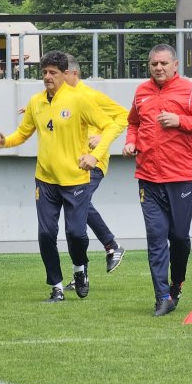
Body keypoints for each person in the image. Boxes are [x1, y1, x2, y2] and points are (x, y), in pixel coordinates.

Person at [0, 50, 122, 303]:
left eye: (53, 72)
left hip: (76, 179)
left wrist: (95, 156)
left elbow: (110, 126)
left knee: (76, 233)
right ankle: (57, 287)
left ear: (65, 74)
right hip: (45, 180)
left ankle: (80, 268)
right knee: (46, 234)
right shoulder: (36, 102)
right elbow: (23, 133)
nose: (47, 77)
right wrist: (5, 141)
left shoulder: (79, 100)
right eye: (44, 73)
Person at [122, 43, 192, 316]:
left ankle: (177, 283)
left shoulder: (190, 91)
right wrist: (130, 143)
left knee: (178, 237)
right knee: (155, 237)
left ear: (175, 65)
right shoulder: (141, 92)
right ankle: (162, 296)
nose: (159, 68)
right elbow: (134, 123)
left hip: (182, 177)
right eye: (154, 64)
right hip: (148, 177)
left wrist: (180, 120)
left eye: (164, 63)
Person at [62, 54, 128, 289]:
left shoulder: (90, 95)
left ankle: (111, 246)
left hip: (94, 163)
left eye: (60, 73)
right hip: (71, 166)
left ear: (73, 74)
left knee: (79, 205)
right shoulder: (62, 98)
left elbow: (123, 116)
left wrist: (101, 137)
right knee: (74, 216)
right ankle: (81, 273)